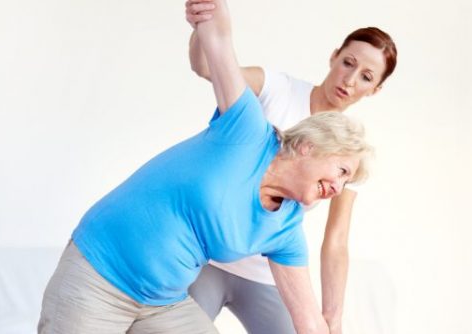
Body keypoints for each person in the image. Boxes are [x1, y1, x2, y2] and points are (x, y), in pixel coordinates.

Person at [38, 0, 372, 333]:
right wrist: (211, 12)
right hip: (99, 275)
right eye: (342, 171)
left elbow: (309, 321)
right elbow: (219, 45)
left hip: (161, 303)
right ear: (308, 145)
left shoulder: (286, 231)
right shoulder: (247, 131)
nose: (339, 188)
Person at [184, 1, 397, 333]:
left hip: (266, 273)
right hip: (209, 256)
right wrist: (203, 24)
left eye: (366, 76)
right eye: (348, 63)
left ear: (376, 89)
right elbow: (211, 68)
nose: (350, 80)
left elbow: (337, 241)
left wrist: (333, 317)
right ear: (334, 55)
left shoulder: (350, 156)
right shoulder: (276, 88)